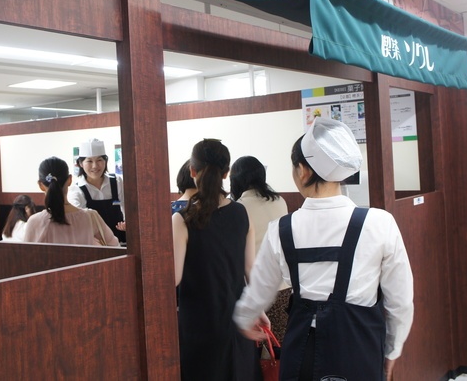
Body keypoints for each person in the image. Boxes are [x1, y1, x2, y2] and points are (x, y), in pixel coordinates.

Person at [233, 117, 414, 381]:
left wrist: (245, 318)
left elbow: (259, 291)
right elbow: (400, 301)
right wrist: (392, 349)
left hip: (300, 356)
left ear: (303, 171)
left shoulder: (281, 229)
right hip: (360, 352)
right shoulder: (380, 223)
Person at [172, 139, 257, 381]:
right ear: (226, 173)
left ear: (192, 171)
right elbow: (251, 270)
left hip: (198, 324)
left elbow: (174, 277)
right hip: (236, 319)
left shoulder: (182, 219)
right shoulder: (242, 212)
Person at [230, 155, 289, 342]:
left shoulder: (238, 208)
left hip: (255, 288)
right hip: (284, 286)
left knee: (257, 344)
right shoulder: (280, 201)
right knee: (279, 345)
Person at [25, 156, 120, 247]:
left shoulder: (35, 222)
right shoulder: (90, 217)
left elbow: (26, 256)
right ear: (70, 180)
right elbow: (115, 247)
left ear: (41, 185)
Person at [68, 138, 126, 243]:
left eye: (99, 160)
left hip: (121, 241)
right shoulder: (76, 190)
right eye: (89, 161)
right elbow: (77, 219)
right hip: (95, 243)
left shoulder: (117, 182)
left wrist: (127, 223)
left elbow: (127, 207)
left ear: (105, 161)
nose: (95, 166)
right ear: (80, 163)